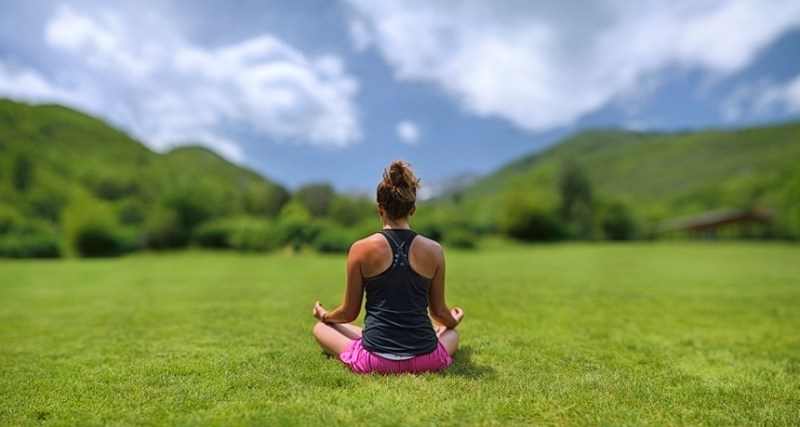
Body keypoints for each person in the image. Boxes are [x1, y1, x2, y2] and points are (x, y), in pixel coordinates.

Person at [311, 159, 464, 374]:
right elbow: (438, 312)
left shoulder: (360, 249)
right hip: (426, 359)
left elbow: (348, 312)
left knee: (320, 328)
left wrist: (325, 316)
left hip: (374, 360)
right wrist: (453, 320)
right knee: (452, 334)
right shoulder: (435, 250)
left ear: (379, 209)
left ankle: (373, 336)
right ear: (413, 209)